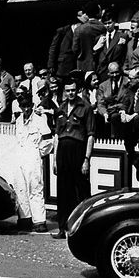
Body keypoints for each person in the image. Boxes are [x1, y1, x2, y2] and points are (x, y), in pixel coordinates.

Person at [51, 77, 96, 239]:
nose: (70, 93)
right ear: (64, 91)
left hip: (78, 151)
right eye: (67, 90)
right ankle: (63, 228)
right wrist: (55, 159)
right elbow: (57, 136)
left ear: (77, 90)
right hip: (63, 152)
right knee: (63, 191)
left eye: (73, 90)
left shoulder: (86, 108)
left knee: (81, 191)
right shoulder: (60, 108)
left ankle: (84, 229)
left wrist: (86, 159)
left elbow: (90, 136)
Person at [12, 95, 51, 233]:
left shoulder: (40, 120)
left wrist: (38, 152)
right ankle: (25, 218)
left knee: (35, 188)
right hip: (20, 157)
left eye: (28, 105)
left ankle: (39, 221)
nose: (26, 109)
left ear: (32, 105)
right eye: (23, 106)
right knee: (20, 188)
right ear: (20, 107)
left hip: (33, 157)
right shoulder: (18, 121)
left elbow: (48, 140)